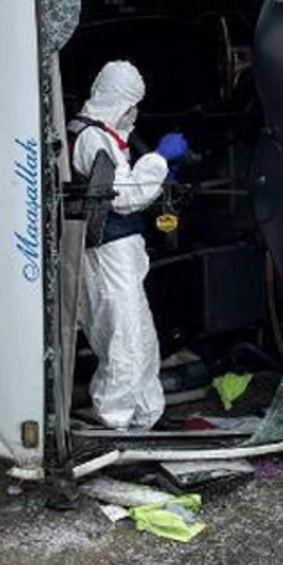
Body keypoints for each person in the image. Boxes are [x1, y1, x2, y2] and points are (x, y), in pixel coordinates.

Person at [71, 60, 189, 430]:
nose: (134, 113)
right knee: (122, 342)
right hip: (107, 252)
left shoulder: (100, 134)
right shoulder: (93, 138)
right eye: (131, 105)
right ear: (118, 101)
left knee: (141, 338)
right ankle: (114, 424)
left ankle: (145, 416)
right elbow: (122, 197)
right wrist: (159, 159)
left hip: (119, 251)